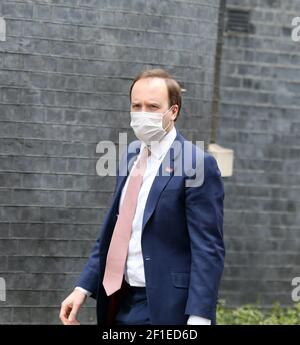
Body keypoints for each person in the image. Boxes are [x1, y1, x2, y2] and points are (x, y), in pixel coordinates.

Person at [59, 69, 225, 326]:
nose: (143, 113)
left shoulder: (198, 164)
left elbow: (208, 250)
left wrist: (200, 317)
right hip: (119, 300)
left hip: (167, 307)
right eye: (137, 106)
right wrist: (83, 288)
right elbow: (115, 231)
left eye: (153, 106)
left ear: (173, 111)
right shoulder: (130, 155)